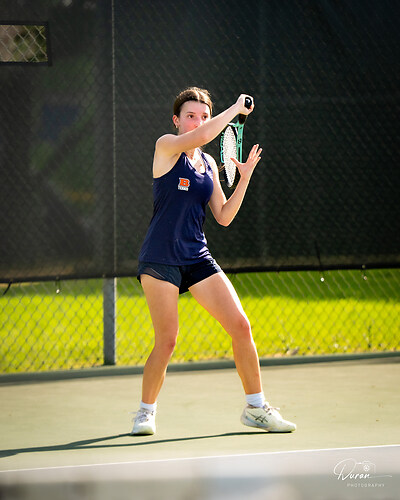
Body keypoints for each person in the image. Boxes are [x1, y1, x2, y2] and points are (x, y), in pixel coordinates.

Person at [131, 87, 296, 435]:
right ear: (176, 121)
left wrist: (244, 179)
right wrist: (235, 109)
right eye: (191, 115)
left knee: (241, 326)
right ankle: (145, 412)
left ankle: (256, 408)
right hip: (160, 258)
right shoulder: (166, 147)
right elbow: (203, 136)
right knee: (167, 340)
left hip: (197, 256)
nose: (198, 122)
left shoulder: (207, 164)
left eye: (203, 116)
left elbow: (223, 215)